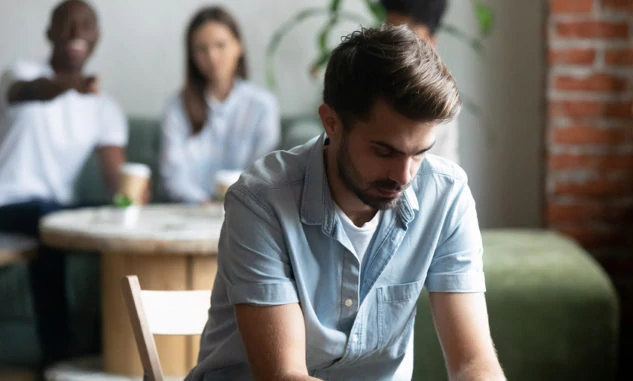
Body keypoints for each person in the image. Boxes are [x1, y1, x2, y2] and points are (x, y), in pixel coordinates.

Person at [186, 25, 504, 380]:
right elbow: (282, 375)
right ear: (332, 122)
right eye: (384, 151)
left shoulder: (445, 195)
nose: (404, 176)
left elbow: (473, 362)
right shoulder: (262, 202)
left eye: (420, 154)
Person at [0, 0, 128, 366]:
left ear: (96, 36)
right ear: (49, 33)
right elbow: (30, 91)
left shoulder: (103, 107)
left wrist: (129, 194)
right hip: (7, 204)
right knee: (49, 223)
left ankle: (99, 348)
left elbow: (115, 174)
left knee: (109, 227)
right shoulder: (19, 74)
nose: (76, 33)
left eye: (85, 25)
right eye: (67, 24)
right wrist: (72, 84)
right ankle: (57, 357)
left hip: (53, 212)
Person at [160, 6, 280, 204]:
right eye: (201, 49)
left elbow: (263, 171)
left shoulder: (262, 105)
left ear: (238, 46)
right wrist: (202, 202)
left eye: (220, 45)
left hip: (247, 209)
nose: (212, 57)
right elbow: (172, 175)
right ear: (192, 56)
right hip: (191, 211)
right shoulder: (177, 106)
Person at [381, 0, 460, 164]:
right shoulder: (364, 83)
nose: (395, 47)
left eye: (408, 37)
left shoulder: (440, 102)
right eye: (389, 32)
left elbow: (447, 173)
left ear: (431, 42)